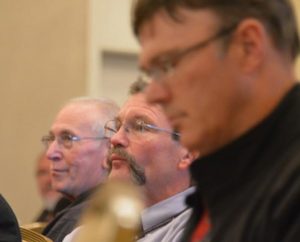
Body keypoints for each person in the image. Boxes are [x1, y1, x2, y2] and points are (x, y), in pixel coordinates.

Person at [132, 0, 300, 242]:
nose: (154, 94)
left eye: (168, 64)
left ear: (248, 47)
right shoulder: (224, 181)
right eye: (151, 73)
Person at [62, 79, 202, 242]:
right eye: (118, 126)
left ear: (188, 152)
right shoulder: (85, 233)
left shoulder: (201, 230)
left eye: (141, 127)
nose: (115, 138)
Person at [41, 97, 119, 242]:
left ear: (110, 150)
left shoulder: (85, 222)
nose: (50, 153)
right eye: (51, 138)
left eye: (67, 138)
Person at [34, 151, 70, 223]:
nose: (48, 180)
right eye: (42, 172)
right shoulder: (39, 221)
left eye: (55, 171)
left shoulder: (85, 218)